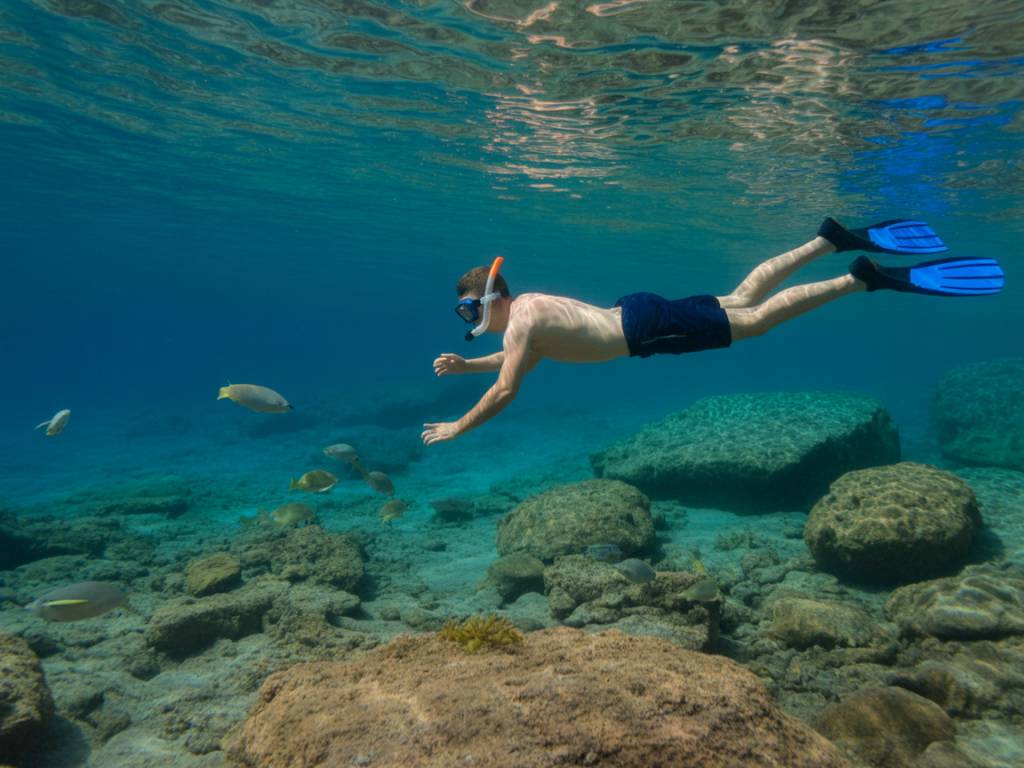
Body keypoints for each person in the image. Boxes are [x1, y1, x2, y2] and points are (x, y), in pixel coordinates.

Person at [421, 218, 1004, 445]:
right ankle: (828, 239)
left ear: (492, 297)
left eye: (471, 312)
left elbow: (508, 390)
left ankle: (859, 278)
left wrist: (456, 426)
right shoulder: (527, 317)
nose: (473, 323)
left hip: (643, 330)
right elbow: (519, 361)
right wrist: (467, 365)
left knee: (753, 322)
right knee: (741, 297)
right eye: (466, 319)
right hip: (636, 312)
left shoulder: (520, 321)